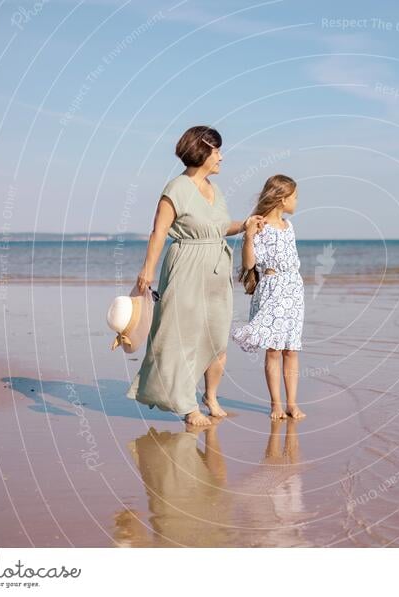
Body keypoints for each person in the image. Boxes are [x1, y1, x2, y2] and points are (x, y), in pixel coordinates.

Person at [126, 125, 264, 426]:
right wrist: (147, 270)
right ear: (203, 152)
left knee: (216, 338)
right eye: (217, 151)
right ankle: (188, 406)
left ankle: (210, 396)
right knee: (182, 337)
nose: (222, 158)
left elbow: (219, 226)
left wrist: (244, 224)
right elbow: (159, 232)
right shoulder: (176, 189)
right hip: (186, 266)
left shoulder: (216, 191)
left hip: (217, 269)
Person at [231, 175, 306, 420]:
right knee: (273, 349)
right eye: (295, 197)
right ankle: (276, 403)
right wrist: (249, 236)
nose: (297, 201)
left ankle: (292, 403)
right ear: (283, 199)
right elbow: (250, 263)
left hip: (293, 289)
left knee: (291, 349)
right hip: (272, 289)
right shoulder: (262, 226)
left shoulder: (289, 226)